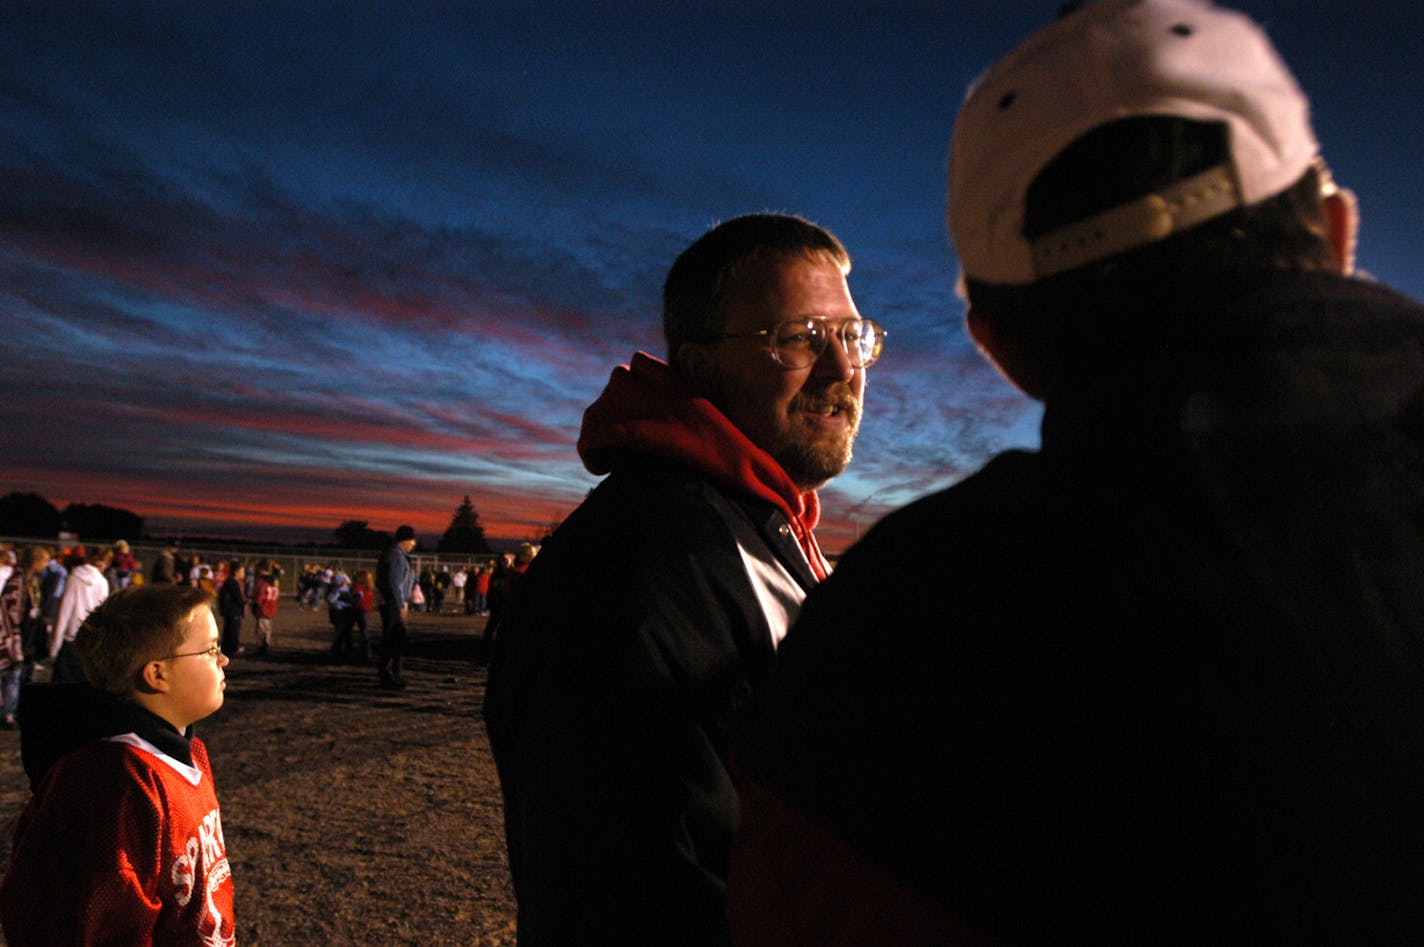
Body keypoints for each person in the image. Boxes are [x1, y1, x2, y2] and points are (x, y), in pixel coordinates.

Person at [728, 2, 1424, 943]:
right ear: (1338, 231)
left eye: (847, 336)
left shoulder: (911, 633)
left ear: (998, 344)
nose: (843, 365)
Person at [484, 212, 882, 945]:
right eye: (799, 336)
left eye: (853, 336)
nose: (843, 367)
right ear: (700, 368)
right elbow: (631, 899)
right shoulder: (630, 570)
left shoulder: (759, 527)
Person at [0, 583, 236, 943]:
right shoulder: (115, 782)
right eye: (211, 649)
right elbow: (99, 925)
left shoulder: (189, 750)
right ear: (157, 674)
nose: (224, 659)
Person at [50, 544, 112, 683]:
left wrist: (54, 645)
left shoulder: (74, 578)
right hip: (88, 640)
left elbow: (63, 612)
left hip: (70, 639)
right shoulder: (102, 583)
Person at [376, 525, 417, 688]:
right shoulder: (396, 556)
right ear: (405, 540)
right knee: (394, 638)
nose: (414, 544)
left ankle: (393, 671)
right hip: (393, 602)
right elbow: (395, 583)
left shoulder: (396, 555)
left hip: (392, 601)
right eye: (412, 540)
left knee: (395, 637)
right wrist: (401, 605)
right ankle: (388, 673)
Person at [216, 560, 246, 657]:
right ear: (236, 572)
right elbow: (238, 598)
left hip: (229, 610)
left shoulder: (229, 581)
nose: (243, 574)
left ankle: (226, 647)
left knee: (229, 629)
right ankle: (232, 648)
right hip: (233, 610)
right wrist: (244, 603)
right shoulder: (233, 582)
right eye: (242, 571)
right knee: (233, 630)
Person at [251, 561, 280, 657]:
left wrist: (255, 605)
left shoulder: (262, 582)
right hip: (271, 607)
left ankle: (262, 647)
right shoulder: (274, 581)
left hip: (263, 608)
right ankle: (266, 644)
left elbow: (259, 596)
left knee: (261, 629)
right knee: (267, 628)